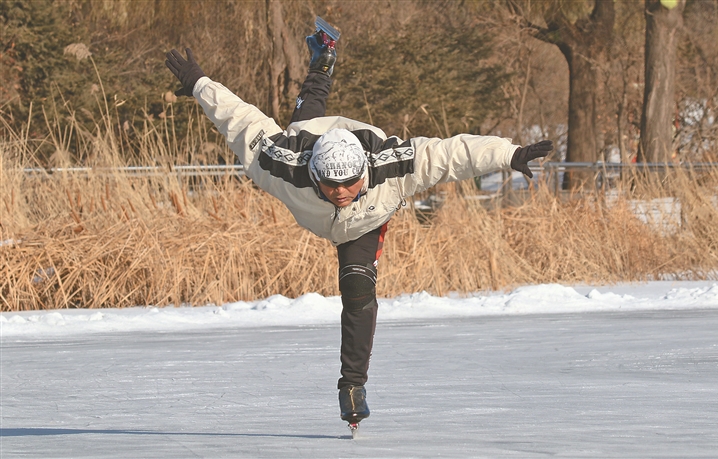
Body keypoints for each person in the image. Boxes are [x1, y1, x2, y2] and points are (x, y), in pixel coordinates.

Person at [165, 27, 553, 428]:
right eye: (330, 185)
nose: (340, 192)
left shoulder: (392, 167)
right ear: (314, 175)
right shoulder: (283, 166)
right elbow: (239, 119)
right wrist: (199, 84)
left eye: (349, 183)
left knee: (356, 284)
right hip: (310, 139)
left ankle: (352, 386)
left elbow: (452, 152)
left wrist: (510, 153)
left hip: (367, 220)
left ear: (363, 173)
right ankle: (323, 60)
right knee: (304, 119)